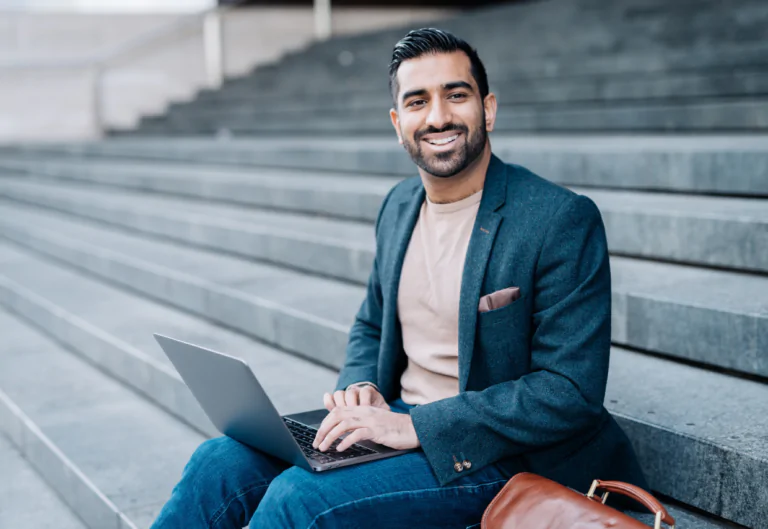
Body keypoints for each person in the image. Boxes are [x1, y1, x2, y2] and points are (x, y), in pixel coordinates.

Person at [151, 27, 647, 529]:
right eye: (417, 101)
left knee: (298, 498)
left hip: (500, 455)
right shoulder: (398, 207)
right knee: (218, 463)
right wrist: (360, 388)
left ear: (488, 108)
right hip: (393, 420)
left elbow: (569, 392)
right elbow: (371, 324)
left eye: (456, 95)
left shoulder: (558, 219)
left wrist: (418, 426)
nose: (437, 117)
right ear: (397, 122)